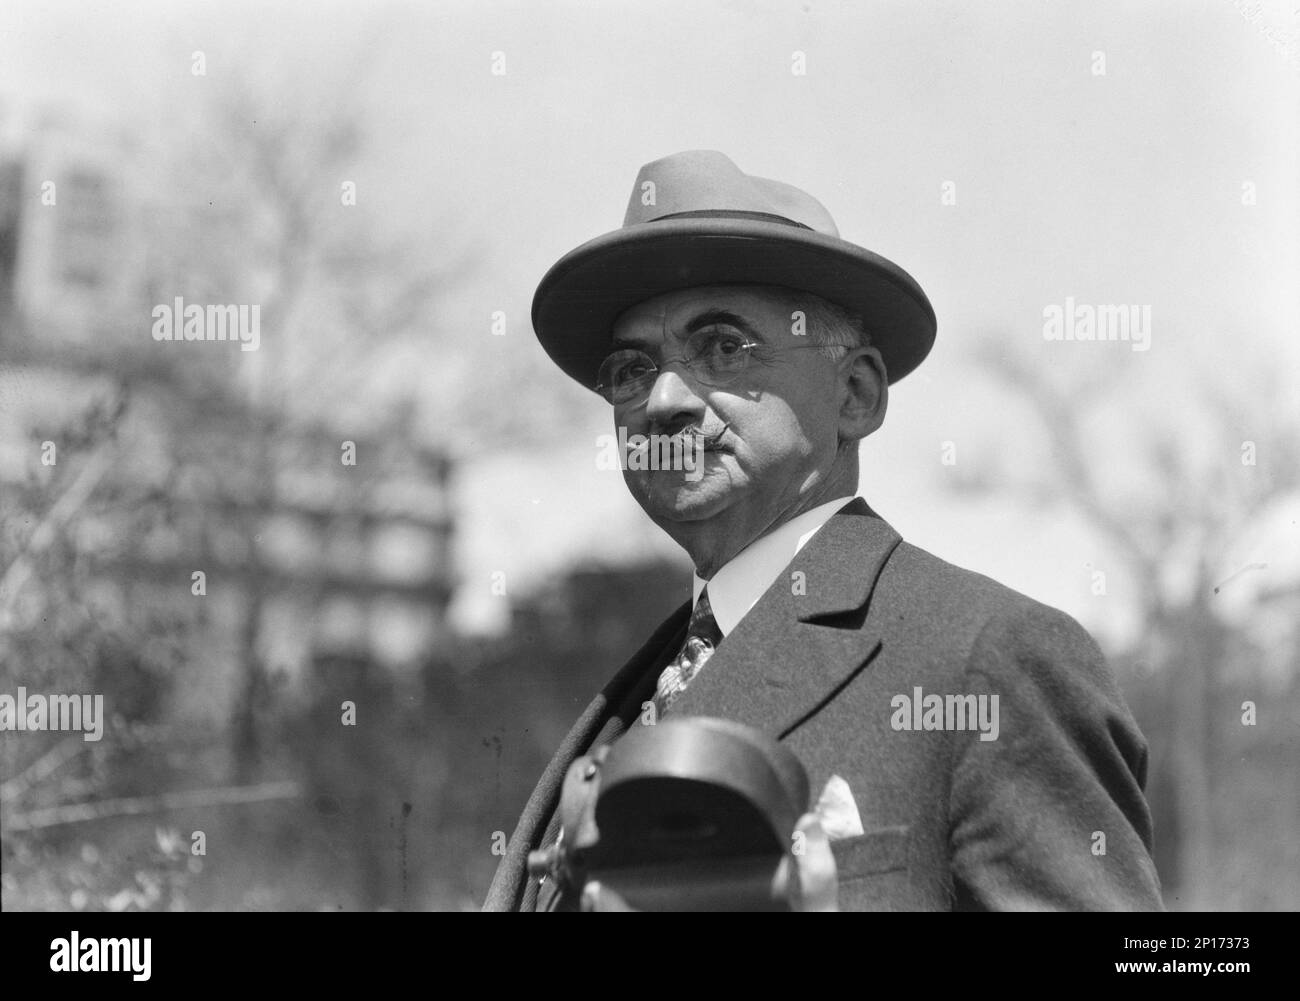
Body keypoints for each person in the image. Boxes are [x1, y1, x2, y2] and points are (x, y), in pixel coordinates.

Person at [483, 150, 1162, 911]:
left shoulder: (987, 658)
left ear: (856, 393)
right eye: (631, 367)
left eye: (721, 348)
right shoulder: (635, 691)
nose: (664, 399)